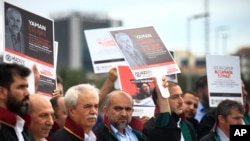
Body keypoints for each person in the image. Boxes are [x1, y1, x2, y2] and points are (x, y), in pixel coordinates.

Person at [0, 63, 36, 141]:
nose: (27, 93)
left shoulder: (22, 127)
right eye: (21, 87)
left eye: (26, 87)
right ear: (2, 92)